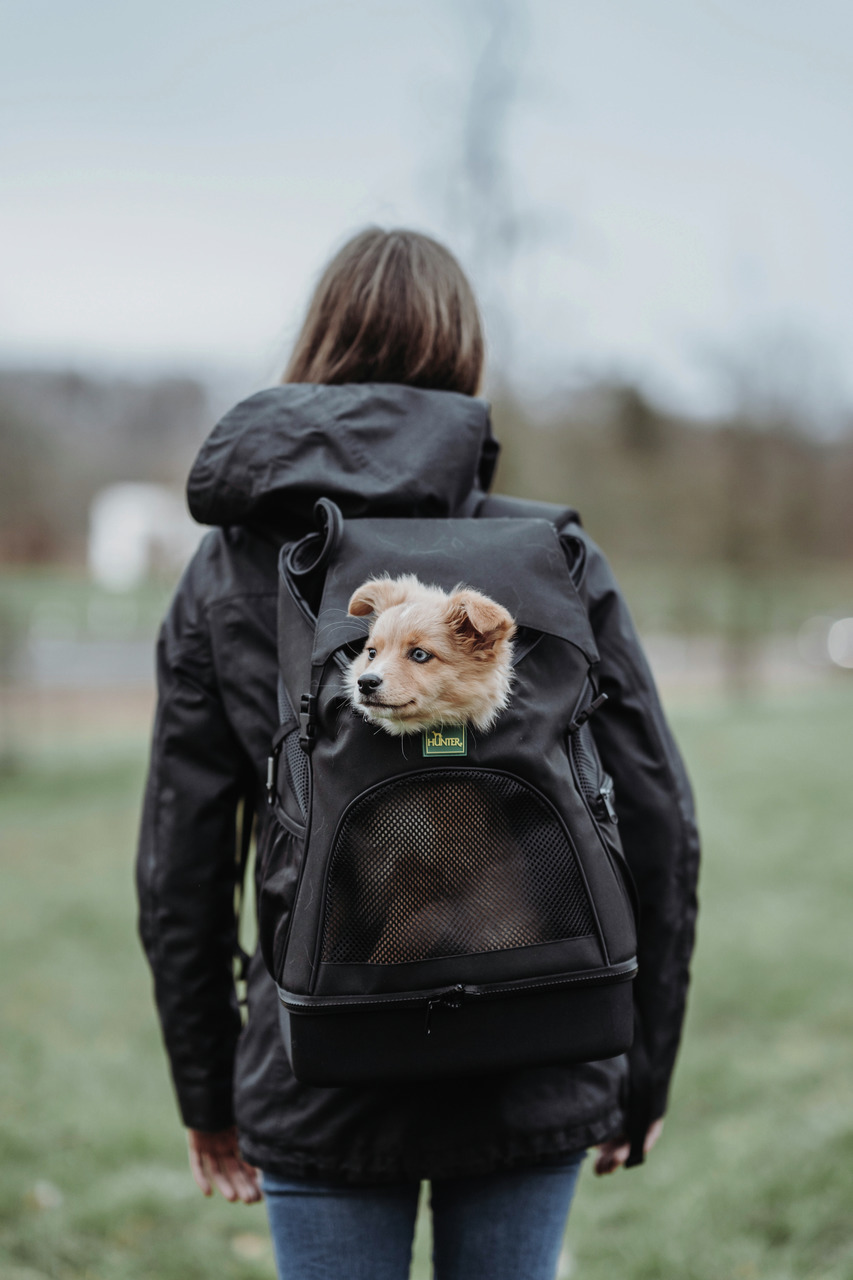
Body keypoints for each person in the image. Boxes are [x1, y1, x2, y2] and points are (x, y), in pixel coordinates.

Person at [136, 227, 699, 1279]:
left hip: (319, 1059)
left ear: (316, 344)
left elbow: (182, 858)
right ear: (466, 360)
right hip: (540, 1039)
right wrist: (641, 1063)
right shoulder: (553, 555)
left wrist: (209, 1091)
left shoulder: (229, 569)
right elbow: (660, 817)